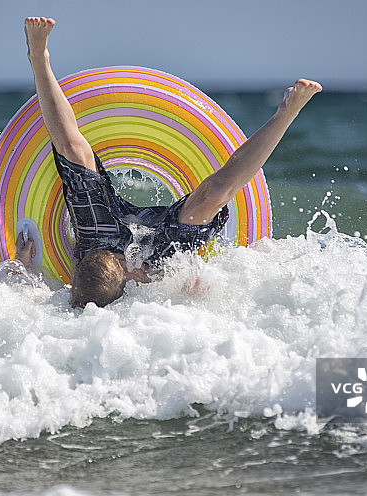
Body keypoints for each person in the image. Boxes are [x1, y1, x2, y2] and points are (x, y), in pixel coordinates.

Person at [22, 16, 321, 308]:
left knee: (74, 150)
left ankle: (38, 57)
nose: (123, 256)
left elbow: (30, 286)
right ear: (128, 280)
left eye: (121, 259)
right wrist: (182, 287)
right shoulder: (137, 291)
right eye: (123, 263)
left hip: (98, 232)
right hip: (157, 245)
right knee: (213, 196)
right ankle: (286, 114)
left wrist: (24, 267)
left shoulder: (89, 252)